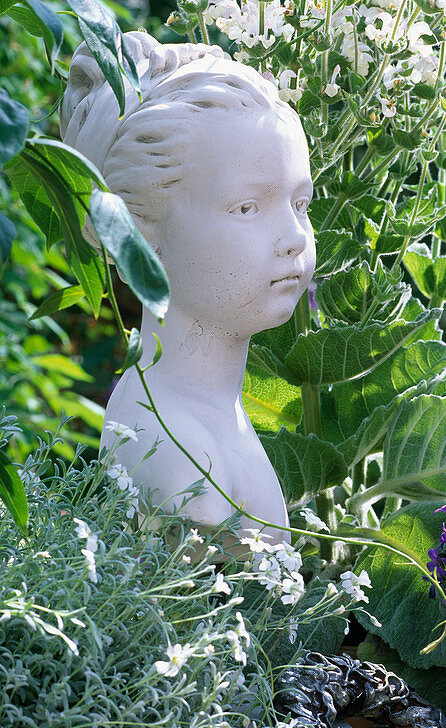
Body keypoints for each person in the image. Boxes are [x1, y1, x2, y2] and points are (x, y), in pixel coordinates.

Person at [60, 33, 315, 541]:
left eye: (300, 204)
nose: (292, 238)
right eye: (247, 208)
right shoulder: (177, 459)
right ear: (139, 231)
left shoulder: (212, 416)